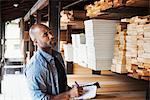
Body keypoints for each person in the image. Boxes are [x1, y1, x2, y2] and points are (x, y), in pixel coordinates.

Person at [24, 24, 82, 100]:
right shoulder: (35, 66)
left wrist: (71, 90)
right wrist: (69, 94)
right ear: (35, 42)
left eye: (50, 32)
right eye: (45, 34)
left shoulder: (57, 56)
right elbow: (40, 98)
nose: (51, 36)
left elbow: (59, 85)